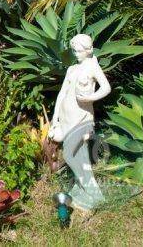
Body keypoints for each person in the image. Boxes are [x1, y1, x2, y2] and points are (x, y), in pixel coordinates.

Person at [48, 34, 111, 210]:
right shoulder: (72, 69)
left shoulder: (93, 67)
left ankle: (91, 190)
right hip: (67, 118)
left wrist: (91, 97)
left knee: (69, 155)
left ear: (88, 50)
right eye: (74, 50)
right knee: (81, 156)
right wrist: (55, 117)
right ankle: (84, 188)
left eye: (78, 51)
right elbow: (62, 93)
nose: (75, 54)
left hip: (81, 118)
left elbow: (106, 87)